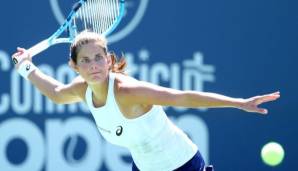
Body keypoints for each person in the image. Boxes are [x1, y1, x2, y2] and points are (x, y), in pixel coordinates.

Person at [12, 31, 280, 171]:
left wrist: (238, 102)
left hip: (183, 166)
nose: (93, 65)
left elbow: (181, 97)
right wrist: (26, 68)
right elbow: (57, 93)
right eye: (85, 60)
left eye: (98, 58)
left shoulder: (128, 91)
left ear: (108, 59)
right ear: (74, 65)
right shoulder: (82, 89)